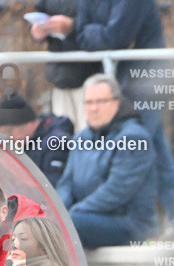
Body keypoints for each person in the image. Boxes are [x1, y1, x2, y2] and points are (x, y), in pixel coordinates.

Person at [36, 0, 174, 237]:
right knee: (155, 150)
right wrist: (88, 31)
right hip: (124, 81)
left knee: (147, 149)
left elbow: (114, 38)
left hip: (148, 80)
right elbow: (87, 35)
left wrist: (84, 31)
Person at [56, 74, 158, 248]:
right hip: (85, 216)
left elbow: (117, 191)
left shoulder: (134, 137)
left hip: (128, 223)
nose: (93, 108)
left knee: (71, 224)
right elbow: (66, 184)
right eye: (88, 102)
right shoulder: (80, 138)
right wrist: (56, 212)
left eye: (101, 102)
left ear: (116, 103)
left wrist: (73, 212)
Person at [29, 0, 103, 130]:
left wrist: (72, 27)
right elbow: (38, 13)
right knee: (62, 138)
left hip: (92, 79)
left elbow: (108, 29)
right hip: (60, 79)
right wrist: (36, 30)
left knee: (91, 138)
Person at [0, 94, 75, 185]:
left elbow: (54, 188)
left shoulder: (55, 143)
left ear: (29, 124)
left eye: (9, 131)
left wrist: (16, 169)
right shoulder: (26, 142)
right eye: (2, 133)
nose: (7, 137)